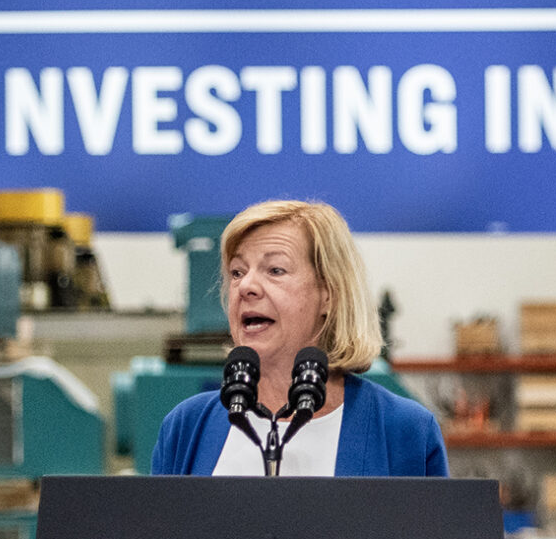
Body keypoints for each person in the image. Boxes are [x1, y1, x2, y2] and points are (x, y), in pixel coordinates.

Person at [150, 198, 448, 477]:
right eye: (237, 272)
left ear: (329, 292)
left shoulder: (406, 431)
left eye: (275, 270)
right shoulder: (186, 428)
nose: (246, 287)